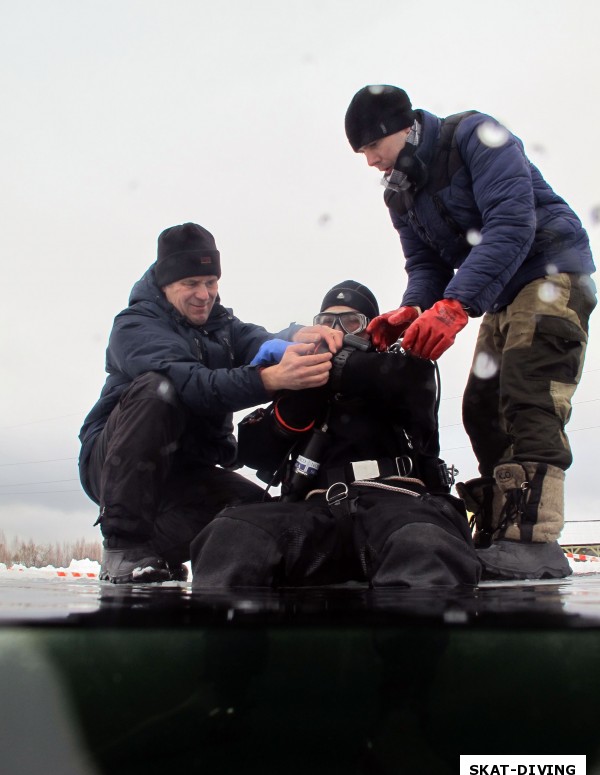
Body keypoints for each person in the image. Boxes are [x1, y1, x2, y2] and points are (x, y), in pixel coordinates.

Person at [344, 85, 596, 580]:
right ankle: (502, 532)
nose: (372, 161)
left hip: (551, 272)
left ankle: (535, 540)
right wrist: (413, 308)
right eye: (363, 154)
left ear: (402, 128)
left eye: (374, 147)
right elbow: (424, 262)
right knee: (481, 407)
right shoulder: (400, 191)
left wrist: (457, 305)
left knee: (530, 392)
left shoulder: (477, 136)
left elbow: (510, 223)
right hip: (500, 291)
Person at [79, 222, 340, 584]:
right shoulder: (135, 326)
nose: (204, 294)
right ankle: (124, 545)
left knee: (260, 518)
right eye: (190, 284)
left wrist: (294, 337)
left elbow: (256, 338)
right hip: (116, 463)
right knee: (160, 389)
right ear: (165, 284)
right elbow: (193, 384)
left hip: (186, 469)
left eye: (211, 282)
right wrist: (270, 379)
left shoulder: (222, 324)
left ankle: (158, 551)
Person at [190, 280, 481, 589]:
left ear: (372, 330)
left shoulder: (405, 367)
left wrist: (326, 368)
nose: (337, 331)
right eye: (326, 322)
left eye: (351, 322)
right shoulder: (297, 380)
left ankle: (408, 632)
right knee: (232, 534)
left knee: (425, 546)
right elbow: (253, 451)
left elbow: (406, 378)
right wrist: (294, 396)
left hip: (398, 506)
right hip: (312, 514)